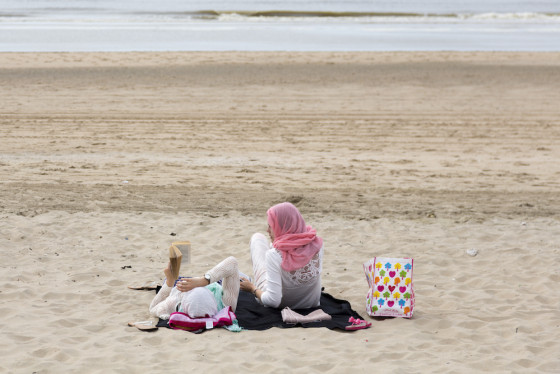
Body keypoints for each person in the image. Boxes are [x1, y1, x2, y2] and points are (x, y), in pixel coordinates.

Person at [240, 202, 324, 309]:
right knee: (272, 248)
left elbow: (272, 301)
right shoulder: (317, 245)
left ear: (282, 227)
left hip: (283, 306)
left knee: (257, 238)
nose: (268, 230)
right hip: (311, 303)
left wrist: (252, 288)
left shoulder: (273, 256)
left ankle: (268, 245)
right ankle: (273, 245)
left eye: (271, 226)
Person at [149, 256, 240, 320]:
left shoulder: (175, 304)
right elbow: (232, 262)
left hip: (184, 285)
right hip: (214, 281)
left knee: (174, 281)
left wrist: (169, 281)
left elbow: (153, 308)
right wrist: (203, 281)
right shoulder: (226, 308)